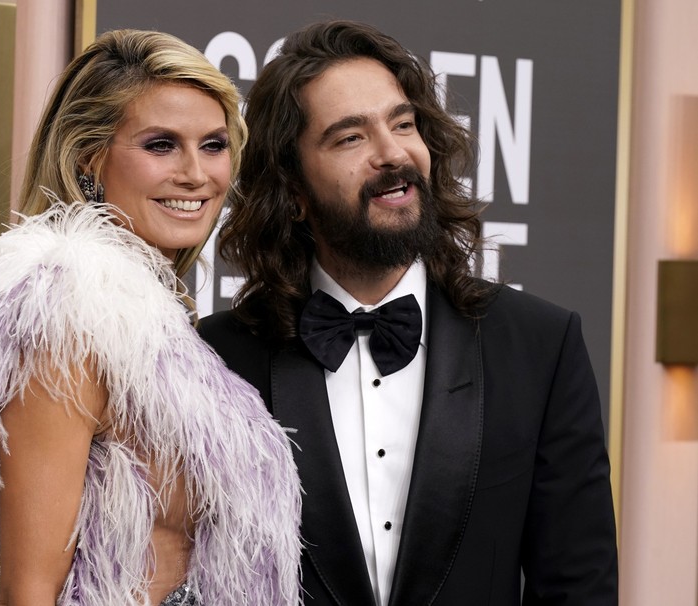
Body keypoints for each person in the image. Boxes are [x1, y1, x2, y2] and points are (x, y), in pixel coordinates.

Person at [199, 20, 618, 606]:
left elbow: (579, 587)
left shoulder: (541, 346)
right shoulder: (216, 360)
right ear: (291, 188)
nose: (393, 153)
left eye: (403, 124)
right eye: (350, 138)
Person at [0, 29, 302, 606]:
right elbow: (31, 588)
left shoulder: (153, 325)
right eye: (160, 145)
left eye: (213, 144)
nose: (197, 175)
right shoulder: (69, 316)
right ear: (89, 157)